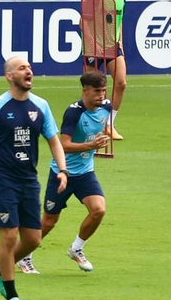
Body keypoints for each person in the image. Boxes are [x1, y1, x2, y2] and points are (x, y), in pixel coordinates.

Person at [0, 57, 66, 300]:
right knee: (9, 236)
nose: (29, 71)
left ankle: (0, 269)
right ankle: (12, 295)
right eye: (22, 68)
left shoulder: (41, 106)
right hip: (2, 177)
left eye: (30, 67)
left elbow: (54, 140)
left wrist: (63, 170)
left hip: (28, 178)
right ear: (10, 76)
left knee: (33, 239)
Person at [22, 71, 112, 275]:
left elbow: (108, 115)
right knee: (49, 221)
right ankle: (25, 256)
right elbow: (63, 145)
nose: (102, 95)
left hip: (86, 173)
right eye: (97, 91)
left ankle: (76, 248)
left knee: (98, 210)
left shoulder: (106, 107)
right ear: (85, 91)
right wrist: (91, 144)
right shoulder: (73, 113)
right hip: (62, 173)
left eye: (104, 90)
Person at [86, 0, 126, 140]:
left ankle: (109, 124)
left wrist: (120, 41)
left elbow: (119, 20)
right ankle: (88, 124)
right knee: (91, 88)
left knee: (121, 83)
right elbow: (83, 23)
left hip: (112, 45)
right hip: (93, 48)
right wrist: (94, 43)